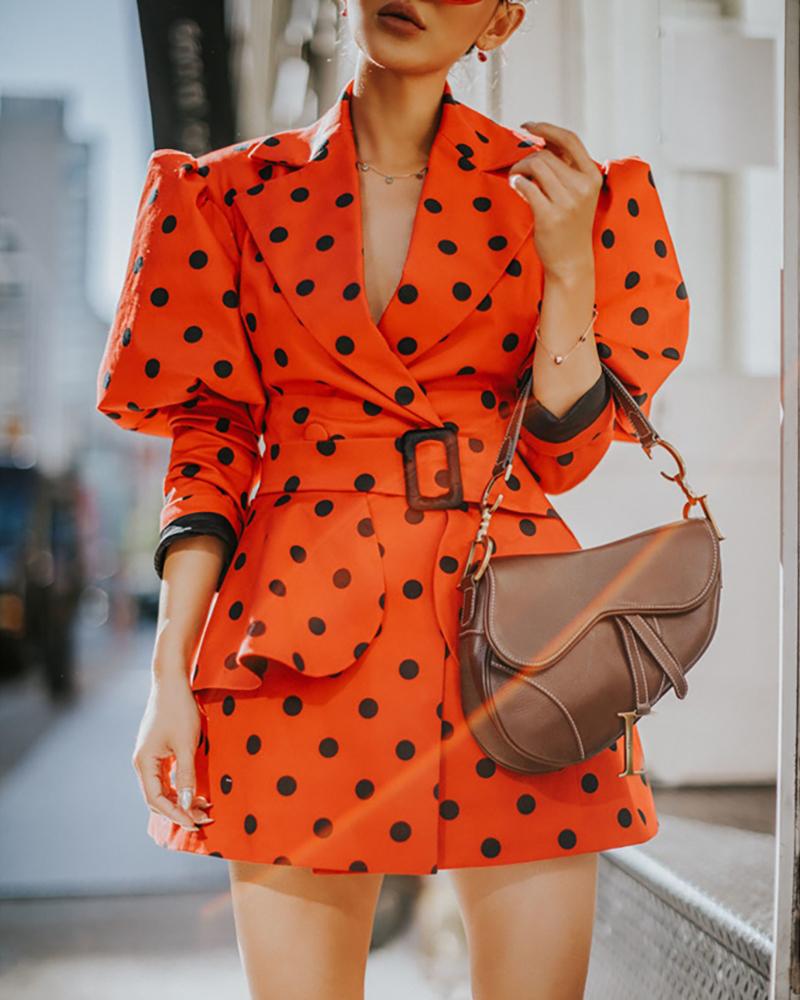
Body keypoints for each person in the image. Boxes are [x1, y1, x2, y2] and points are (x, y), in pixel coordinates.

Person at [95, 0, 690, 995]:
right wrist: (169, 676)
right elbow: (211, 450)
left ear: (500, 20)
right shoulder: (225, 194)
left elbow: (563, 453)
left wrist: (569, 267)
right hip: (296, 638)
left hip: (513, 640)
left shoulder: (562, 194)